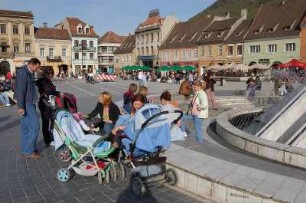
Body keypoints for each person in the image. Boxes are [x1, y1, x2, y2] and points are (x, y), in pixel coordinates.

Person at [14, 58, 41, 159]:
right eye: (36, 67)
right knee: (35, 126)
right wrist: (21, 107)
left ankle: (27, 149)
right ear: (31, 64)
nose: (37, 69)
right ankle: (29, 150)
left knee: (25, 128)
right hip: (26, 103)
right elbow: (21, 90)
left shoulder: (29, 72)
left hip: (29, 101)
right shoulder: (23, 73)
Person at [36, 67, 60, 147]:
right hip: (44, 104)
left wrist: (58, 93)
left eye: (51, 74)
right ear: (45, 73)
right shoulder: (41, 80)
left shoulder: (49, 80)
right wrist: (41, 93)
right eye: (48, 74)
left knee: (53, 120)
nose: (50, 75)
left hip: (51, 103)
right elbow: (33, 86)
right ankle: (47, 141)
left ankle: (51, 136)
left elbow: (52, 91)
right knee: (46, 122)